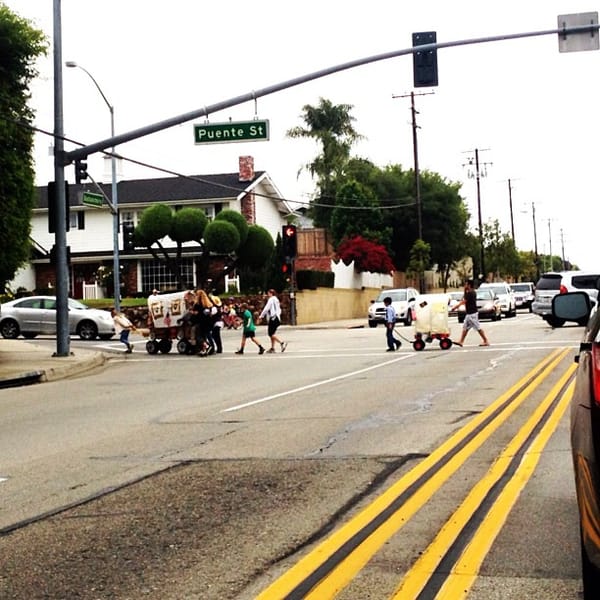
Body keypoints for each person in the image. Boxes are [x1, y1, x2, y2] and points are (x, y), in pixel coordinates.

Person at [451, 279, 490, 347]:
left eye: (466, 284)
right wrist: (464, 290)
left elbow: (464, 301)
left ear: (469, 285)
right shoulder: (471, 292)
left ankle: (486, 341)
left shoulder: (471, 293)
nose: (465, 285)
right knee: (465, 328)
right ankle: (461, 341)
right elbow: (465, 297)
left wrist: (455, 307)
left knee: (478, 328)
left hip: (472, 314)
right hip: (469, 313)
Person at [258, 289, 287, 353]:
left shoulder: (271, 299)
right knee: (272, 333)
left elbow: (266, 308)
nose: (267, 295)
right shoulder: (276, 299)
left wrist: (261, 316)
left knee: (270, 333)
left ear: (271, 293)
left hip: (273, 318)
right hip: (277, 318)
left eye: (268, 293)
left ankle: (281, 343)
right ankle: (272, 348)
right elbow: (279, 309)